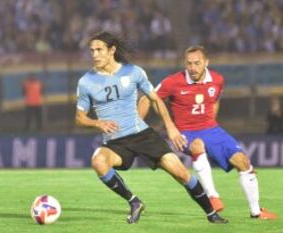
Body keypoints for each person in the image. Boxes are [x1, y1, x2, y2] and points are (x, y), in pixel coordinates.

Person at [75, 32, 227, 224]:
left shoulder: (133, 72)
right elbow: (79, 118)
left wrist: (170, 127)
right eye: (92, 50)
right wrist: (97, 123)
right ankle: (134, 202)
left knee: (181, 173)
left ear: (112, 50)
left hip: (142, 135)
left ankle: (211, 214)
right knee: (98, 161)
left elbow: (155, 99)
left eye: (99, 50)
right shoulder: (86, 82)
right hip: (115, 142)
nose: (94, 54)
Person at [138, 45, 277, 220]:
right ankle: (212, 196)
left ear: (206, 62)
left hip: (212, 129)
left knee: (243, 162)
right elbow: (148, 99)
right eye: (189, 64)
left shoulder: (218, 80)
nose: (192, 68)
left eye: (197, 63)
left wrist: (212, 122)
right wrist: (142, 126)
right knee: (198, 145)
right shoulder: (173, 82)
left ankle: (256, 212)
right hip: (186, 131)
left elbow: (215, 100)